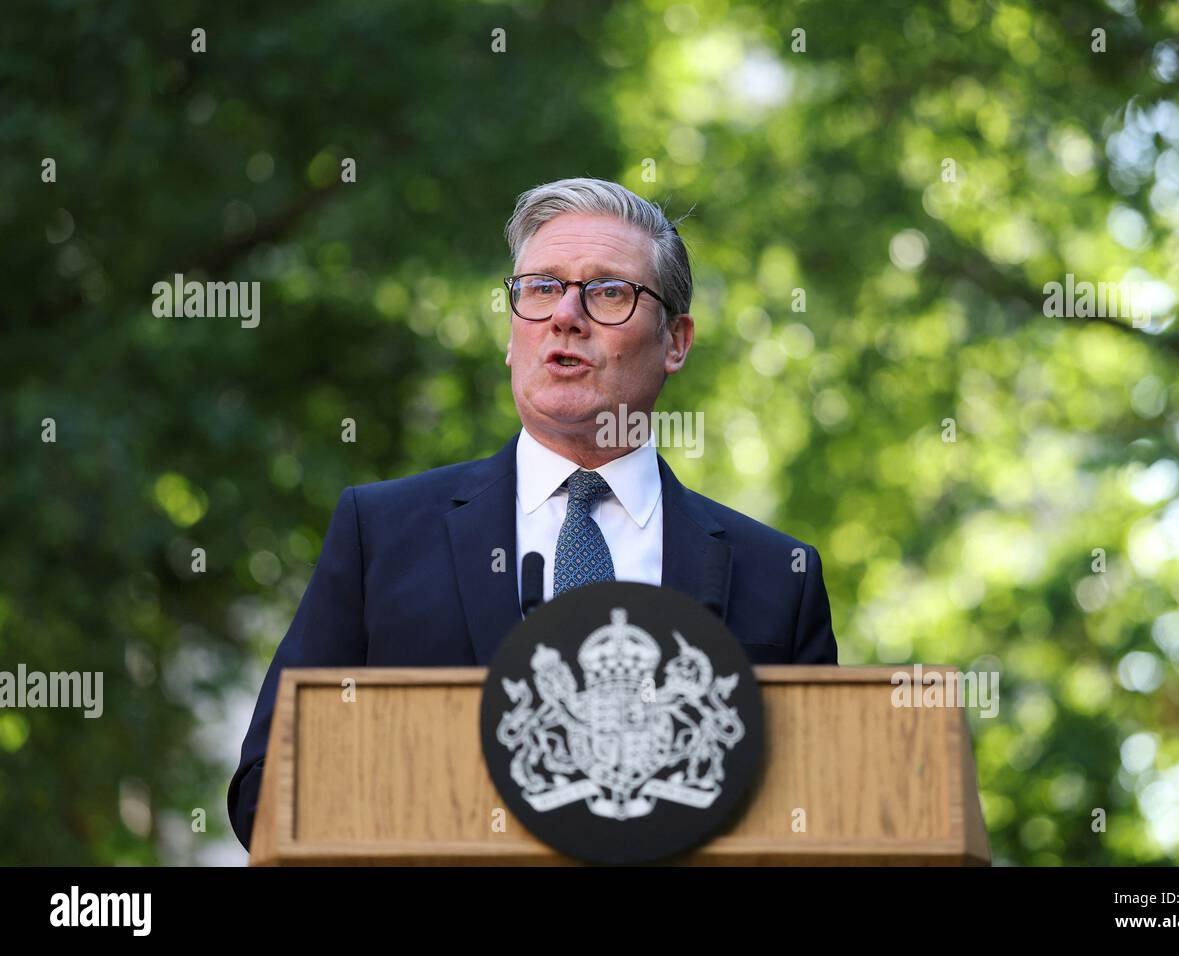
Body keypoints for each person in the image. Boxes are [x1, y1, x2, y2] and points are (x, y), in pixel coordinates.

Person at [228, 177, 837, 850]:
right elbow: (268, 786)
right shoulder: (382, 534)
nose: (565, 316)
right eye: (541, 288)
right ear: (512, 332)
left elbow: (825, 817)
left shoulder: (778, 575)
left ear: (676, 342)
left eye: (609, 292)